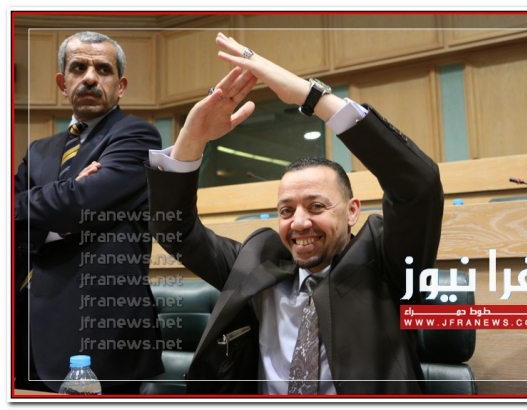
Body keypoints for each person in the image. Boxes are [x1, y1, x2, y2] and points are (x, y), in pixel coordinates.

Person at [145, 33, 443, 395]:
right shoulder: (258, 263)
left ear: (352, 211)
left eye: (316, 206)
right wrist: (192, 139)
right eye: (286, 210)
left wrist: (311, 97)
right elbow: (176, 230)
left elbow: (419, 185)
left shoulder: (387, 263)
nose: (299, 222)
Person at [14, 31, 164, 394]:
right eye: (78, 68)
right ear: (62, 83)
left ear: (120, 86)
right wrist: (59, 217)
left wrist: (59, 207)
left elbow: (79, 204)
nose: (90, 78)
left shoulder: (137, 137)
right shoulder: (39, 150)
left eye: (103, 69)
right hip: (27, 330)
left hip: (104, 331)